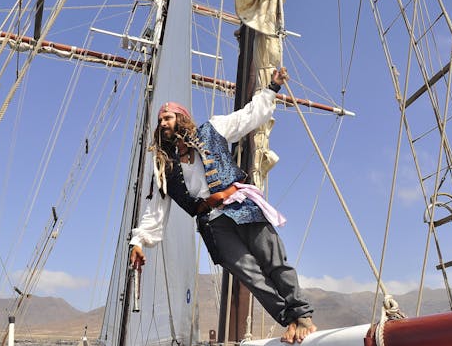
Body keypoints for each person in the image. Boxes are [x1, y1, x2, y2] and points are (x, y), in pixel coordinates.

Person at [129, 67, 317, 344]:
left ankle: (303, 316)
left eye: (167, 117)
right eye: (160, 121)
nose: (163, 123)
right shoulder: (164, 166)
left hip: (241, 205)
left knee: (274, 261)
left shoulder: (212, 130)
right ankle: (289, 321)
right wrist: (140, 241)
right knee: (251, 275)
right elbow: (156, 208)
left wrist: (272, 88)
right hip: (213, 225)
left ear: (181, 118)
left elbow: (248, 117)